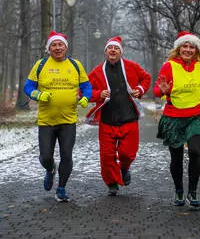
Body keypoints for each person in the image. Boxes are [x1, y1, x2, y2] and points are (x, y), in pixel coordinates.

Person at [24, 31, 92, 202]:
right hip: (46, 121)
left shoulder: (75, 65)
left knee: (66, 155)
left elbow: (87, 86)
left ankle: (61, 188)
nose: (57, 47)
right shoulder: (40, 65)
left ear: (65, 47)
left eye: (60, 44)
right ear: (49, 49)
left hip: (68, 120)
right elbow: (28, 86)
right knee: (46, 156)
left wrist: (85, 97)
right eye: (54, 45)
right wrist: (37, 95)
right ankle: (49, 169)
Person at [153, 31, 200, 207]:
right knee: (177, 156)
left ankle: (193, 192)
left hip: (196, 116)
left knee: (195, 151)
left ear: (196, 50)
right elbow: (157, 91)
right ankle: (179, 191)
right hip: (173, 117)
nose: (188, 49)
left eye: (192, 46)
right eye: (185, 46)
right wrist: (163, 90)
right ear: (178, 48)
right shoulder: (169, 66)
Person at [86, 36, 151, 196]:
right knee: (107, 156)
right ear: (106, 52)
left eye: (116, 48)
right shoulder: (97, 71)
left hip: (128, 118)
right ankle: (112, 183)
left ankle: (124, 168)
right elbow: (85, 90)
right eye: (110, 48)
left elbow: (146, 78)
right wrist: (98, 94)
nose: (113, 50)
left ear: (120, 52)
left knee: (128, 153)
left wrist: (140, 89)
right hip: (107, 120)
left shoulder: (131, 67)